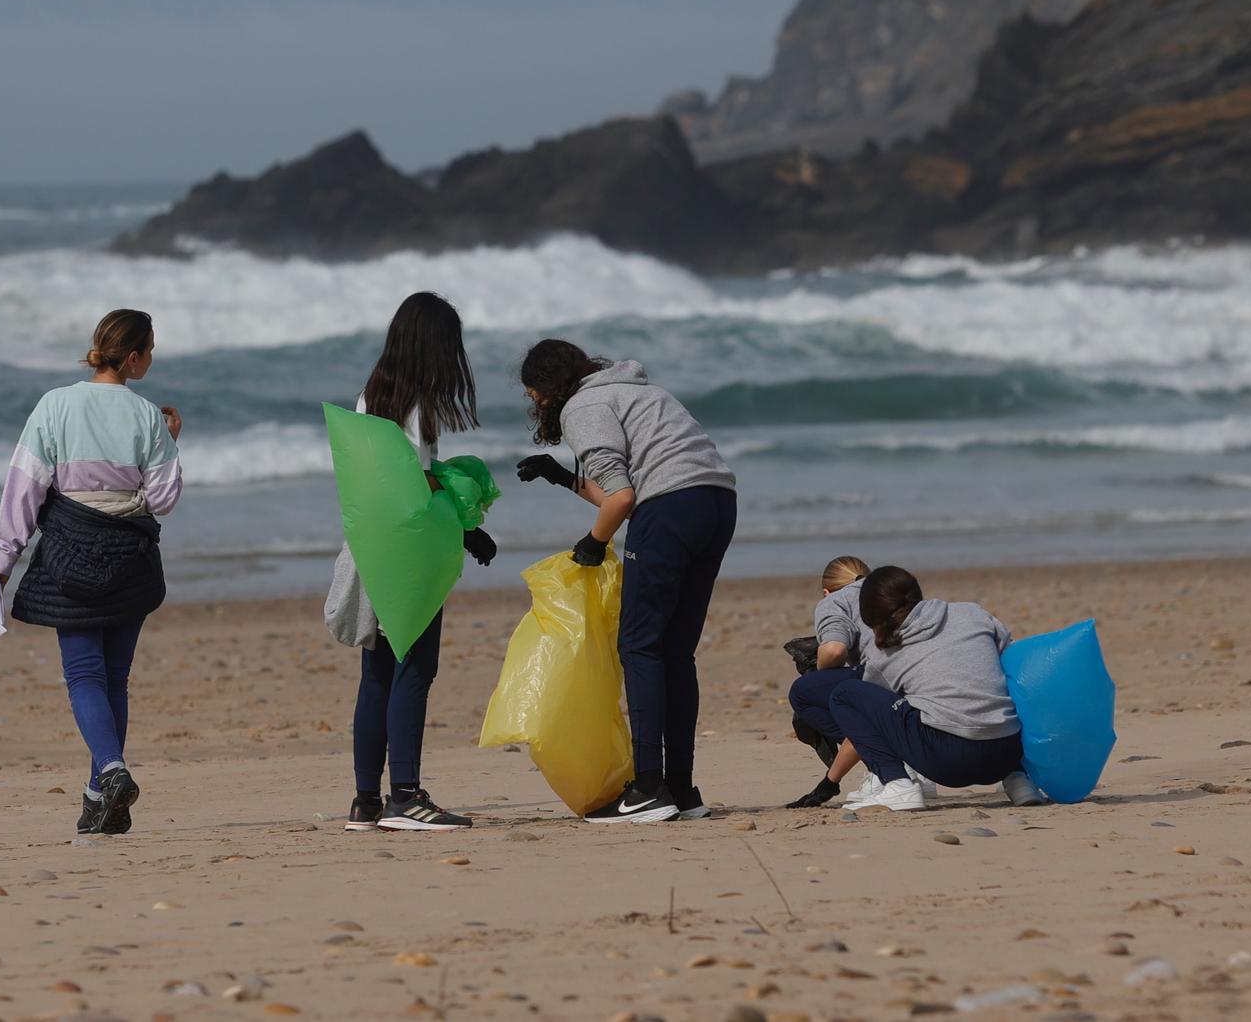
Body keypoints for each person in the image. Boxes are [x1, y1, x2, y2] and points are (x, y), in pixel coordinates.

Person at [516, 340, 737, 824]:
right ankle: (681, 788)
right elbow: (625, 493)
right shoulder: (640, 392)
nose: (536, 405)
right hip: (717, 503)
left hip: (671, 509)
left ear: (547, 389)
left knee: (639, 647)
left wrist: (592, 545)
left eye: (534, 395)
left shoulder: (583, 405)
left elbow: (621, 499)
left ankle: (647, 789)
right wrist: (563, 477)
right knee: (676, 652)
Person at [0, 309, 183, 836]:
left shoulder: (55, 405)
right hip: (131, 557)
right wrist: (171, 441)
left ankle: (109, 777)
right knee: (114, 678)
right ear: (134, 357)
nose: (153, 358)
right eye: (152, 350)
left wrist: (5, 559)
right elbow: (163, 499)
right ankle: (100, 796)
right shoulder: (145, 416)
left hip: (70, 553)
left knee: (84, 676)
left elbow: (24, 488)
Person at [339, 292, 496, 833]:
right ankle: (405, 795)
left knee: (378, 673)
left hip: (373, 549)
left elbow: (379, 481)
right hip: (408, 554)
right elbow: (418, 484)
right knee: (415, 668)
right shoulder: (415, 407)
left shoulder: (368, 397)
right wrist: (469, 526)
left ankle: (366, 800)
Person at [788, 566, 1042, 811]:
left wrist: (831, 781)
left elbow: (867, 725)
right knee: (998, 676)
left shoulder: (883, 655)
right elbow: (1017, 665)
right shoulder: (974, 613)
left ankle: (896, 784)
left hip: (948, 763)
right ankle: (1019, 780)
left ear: (871, 618)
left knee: (847, 694)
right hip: (1007, 751)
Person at [786, 556, 872, 769]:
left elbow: (834, 650)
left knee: (804, 691)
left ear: (826, 592)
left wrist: (821, 674)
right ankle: (917, 769)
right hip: (920, 676)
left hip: (883, 675)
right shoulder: (891, 590)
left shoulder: (834, 602)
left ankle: (880, 758)